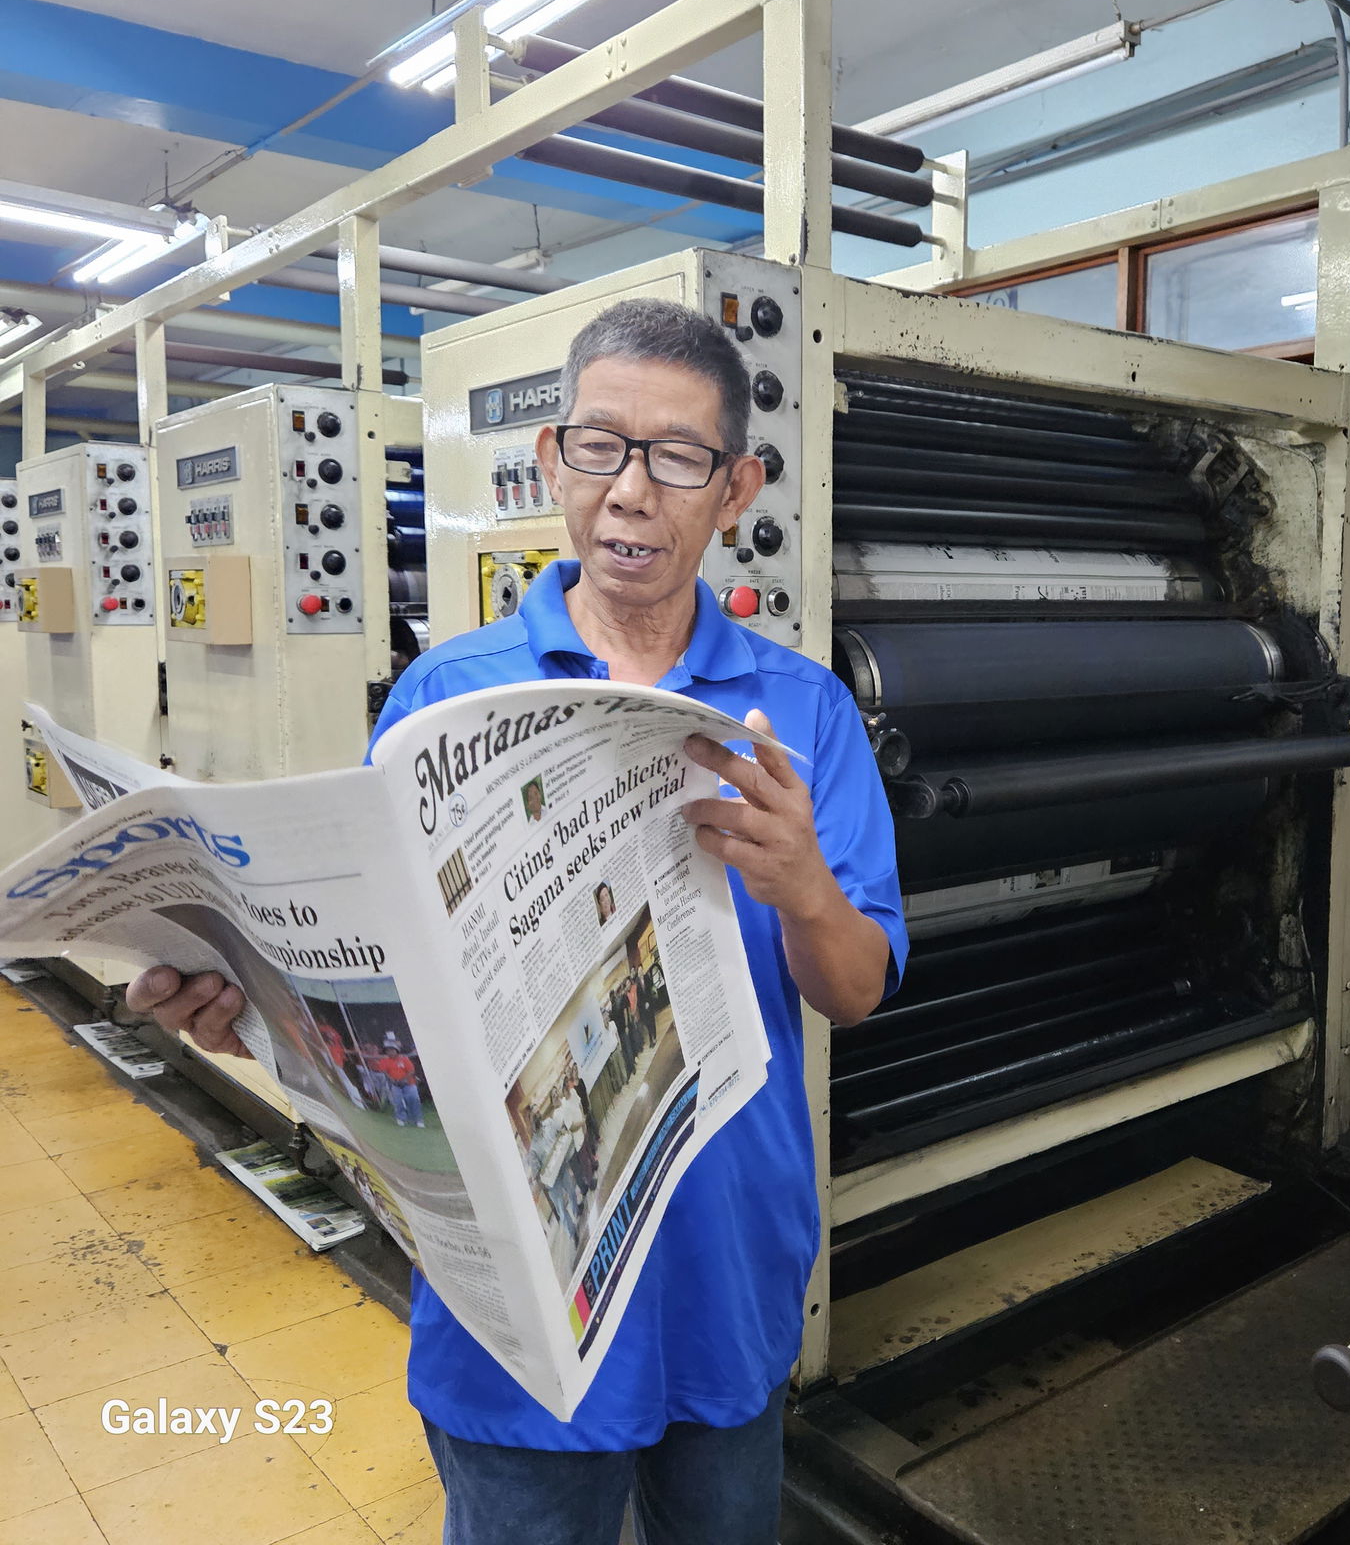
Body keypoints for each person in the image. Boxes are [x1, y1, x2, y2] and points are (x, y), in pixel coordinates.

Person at [125, 296, 906, 1545]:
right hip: (516, 1304)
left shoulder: (798, 714)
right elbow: (386, 985)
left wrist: (805, 883)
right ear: (552, 461)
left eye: (678, 458)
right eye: (598, 447)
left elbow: (856, 989)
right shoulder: (449, 696)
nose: (631, 492)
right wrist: (253, 1011)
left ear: (736, 487)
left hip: (725, 1269)